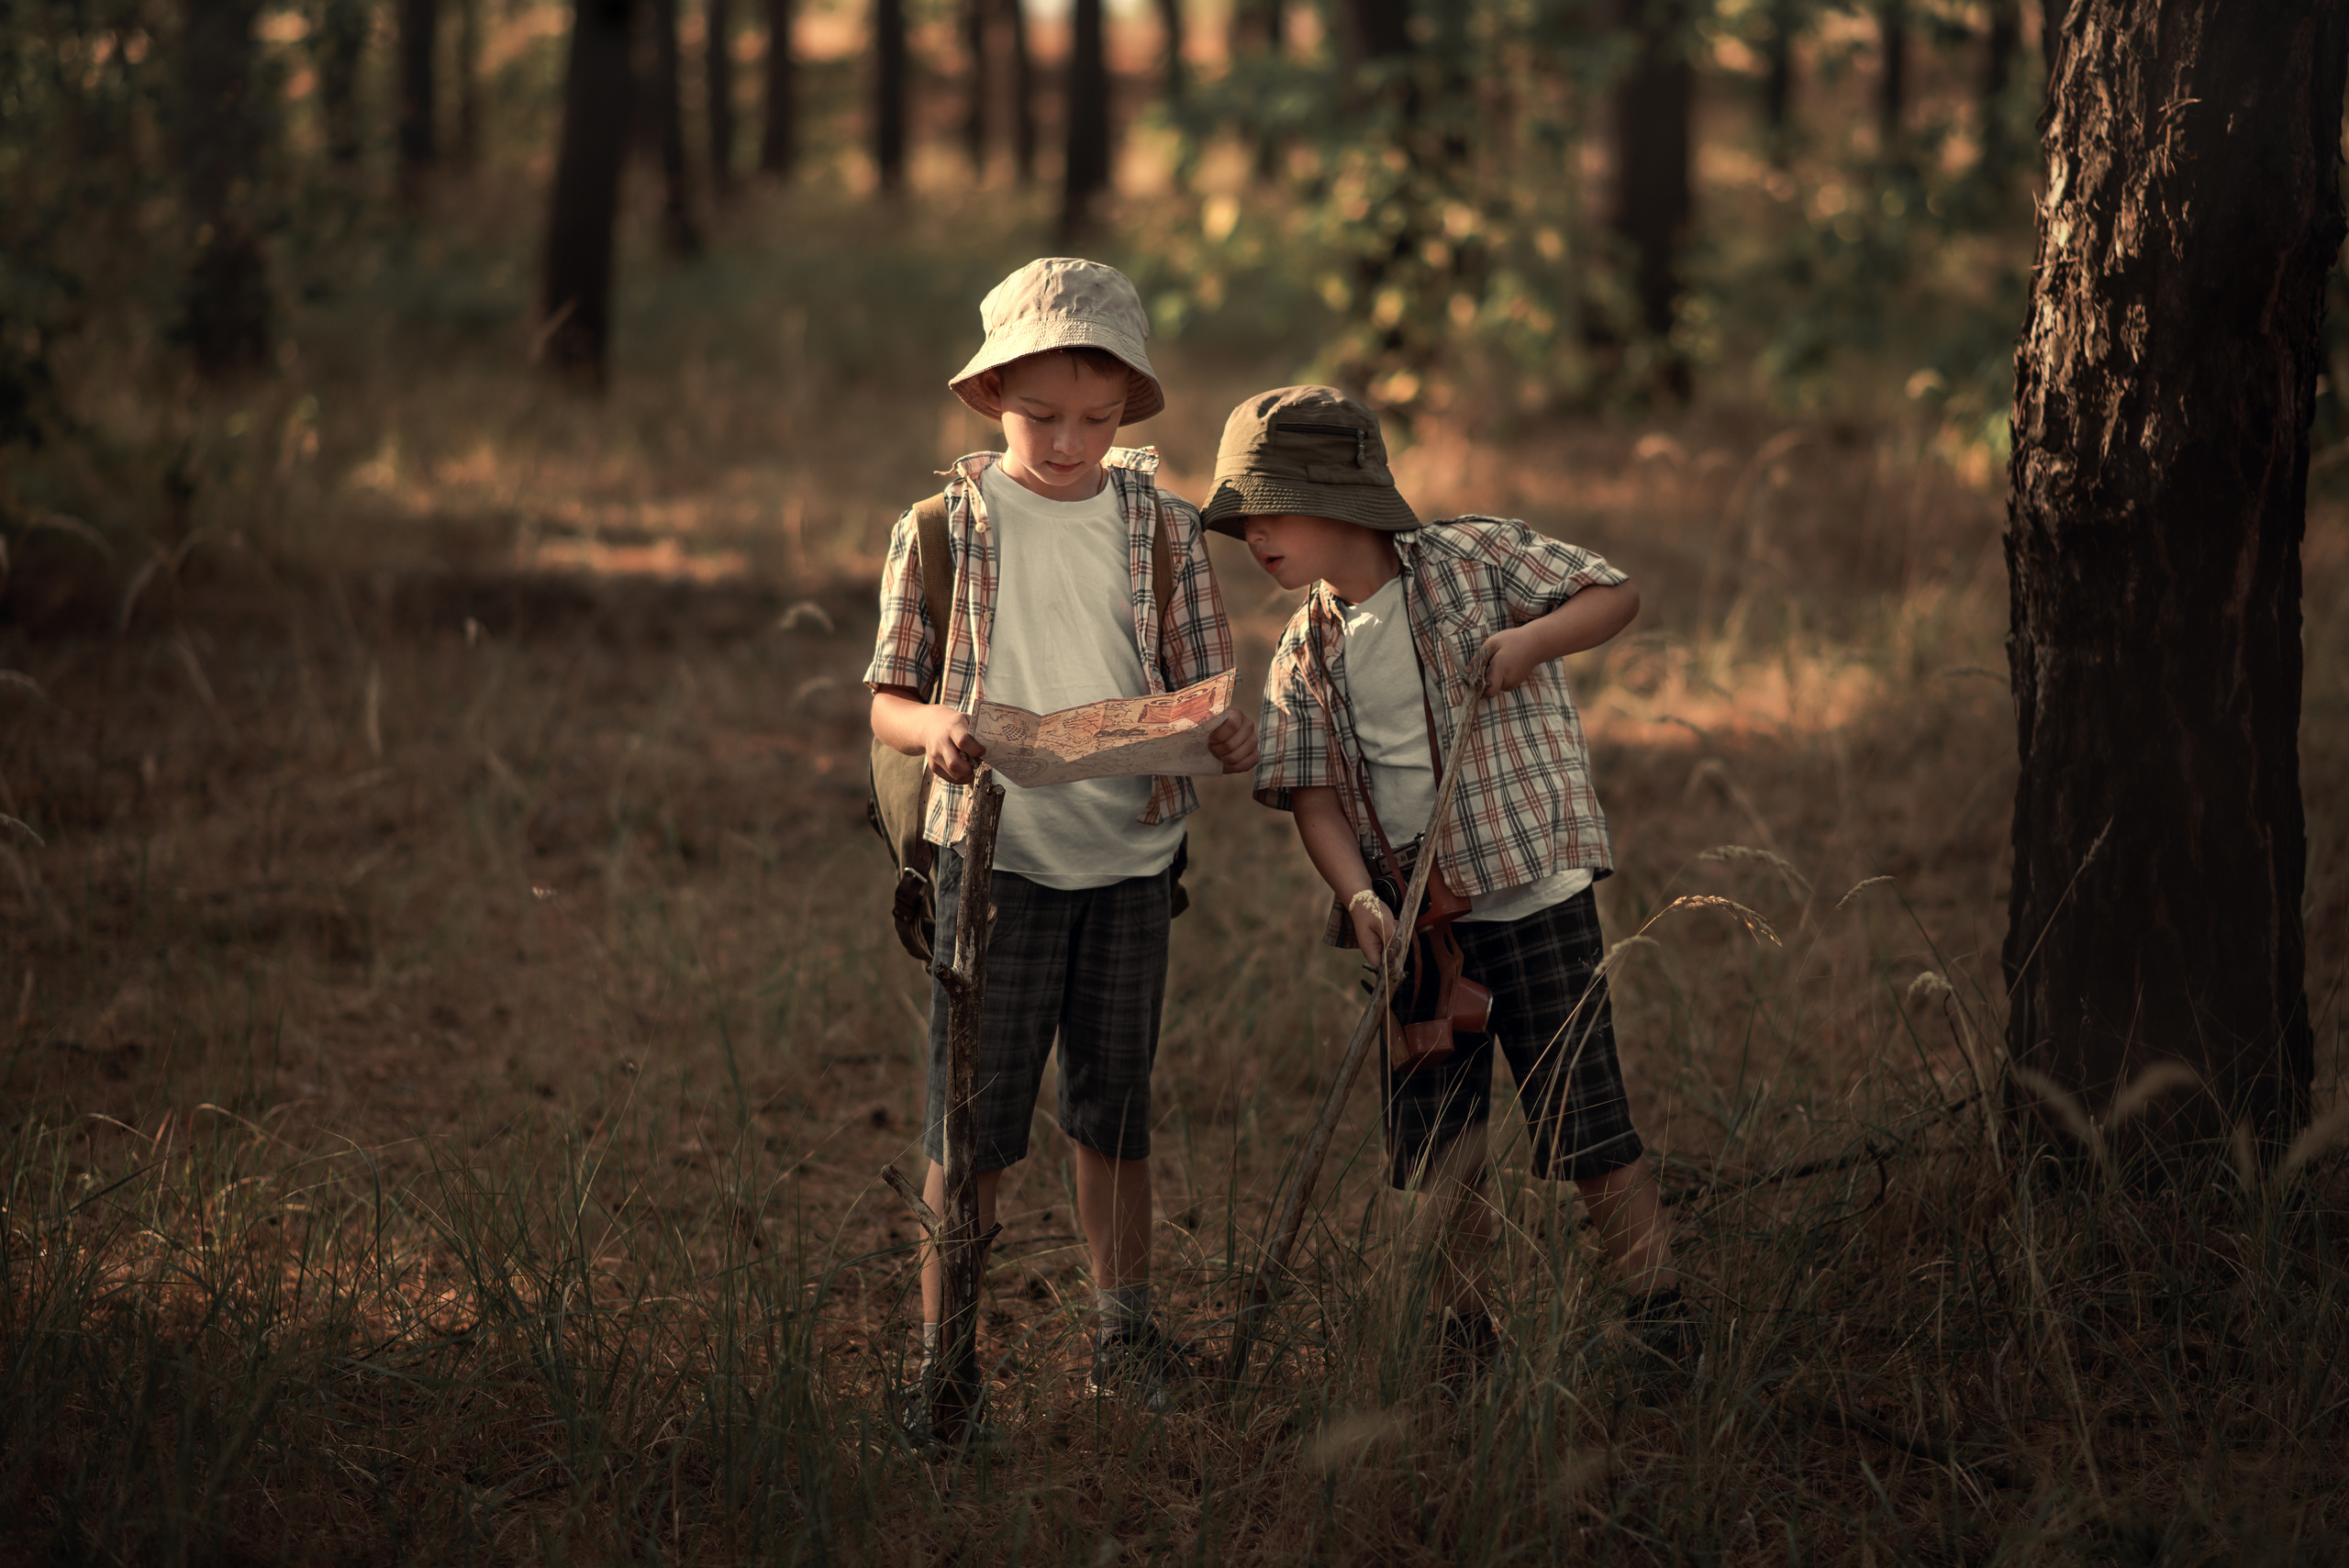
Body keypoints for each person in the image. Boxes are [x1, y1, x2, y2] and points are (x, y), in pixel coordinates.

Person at [1208, 384, 1696, 1394]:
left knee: (1585, 1118)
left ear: (1342, 497)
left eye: (1273, 508)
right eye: (1241, 518)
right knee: (1439, 1147)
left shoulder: (1471, 561)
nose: (1253, 534)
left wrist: (1529, 644)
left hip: (1530, 892)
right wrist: (1358, 900)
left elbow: (1612, 594)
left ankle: (1658, 1319)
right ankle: (1463, 1343)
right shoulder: (1306, 654)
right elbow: (1314, 802)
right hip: (1419, 930)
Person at [864, 259, 1259, 1433]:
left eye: (1098, 418)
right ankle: (947, 1365)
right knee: (972, 1125)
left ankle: (1122, 1332)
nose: (1072, 440)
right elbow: (885, 693)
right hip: (998, 869)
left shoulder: (1165, 529)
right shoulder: (940, 528)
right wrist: (935, 723)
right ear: (990, 398)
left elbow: (1204, 684)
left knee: (1115, 1109)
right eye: (1043, 415)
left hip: (1130, 868)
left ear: (1129, 409)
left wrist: (1223, 728)